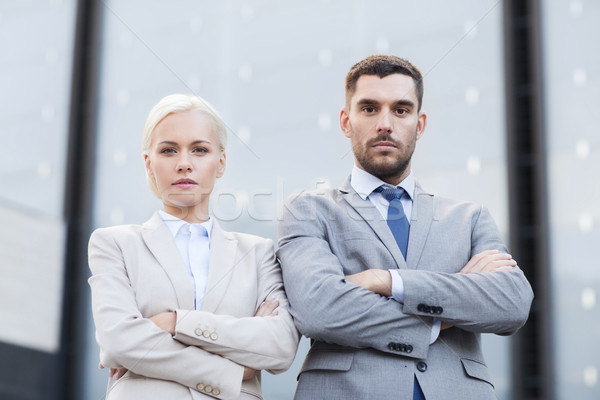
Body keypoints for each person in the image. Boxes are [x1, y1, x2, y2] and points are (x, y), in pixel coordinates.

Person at [277, 55, 534, 400]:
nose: (385, 123)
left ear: (420, 123)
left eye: (400, 110)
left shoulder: (469, 218)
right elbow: (319, 310)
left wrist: (386, 281)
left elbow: (511, 303)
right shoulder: (308, 209)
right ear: (345, 121)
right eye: (369, 109)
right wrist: (443, 315)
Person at [88, 94, 300, 400]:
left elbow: (279, 348)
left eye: (199, 150)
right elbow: (119, 343)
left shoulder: (258, 253)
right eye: (169, 150)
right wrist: (235, 370)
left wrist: (175, 322)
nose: (184, 164)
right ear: (149, 164)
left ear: (220, 162)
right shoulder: (115, 244)